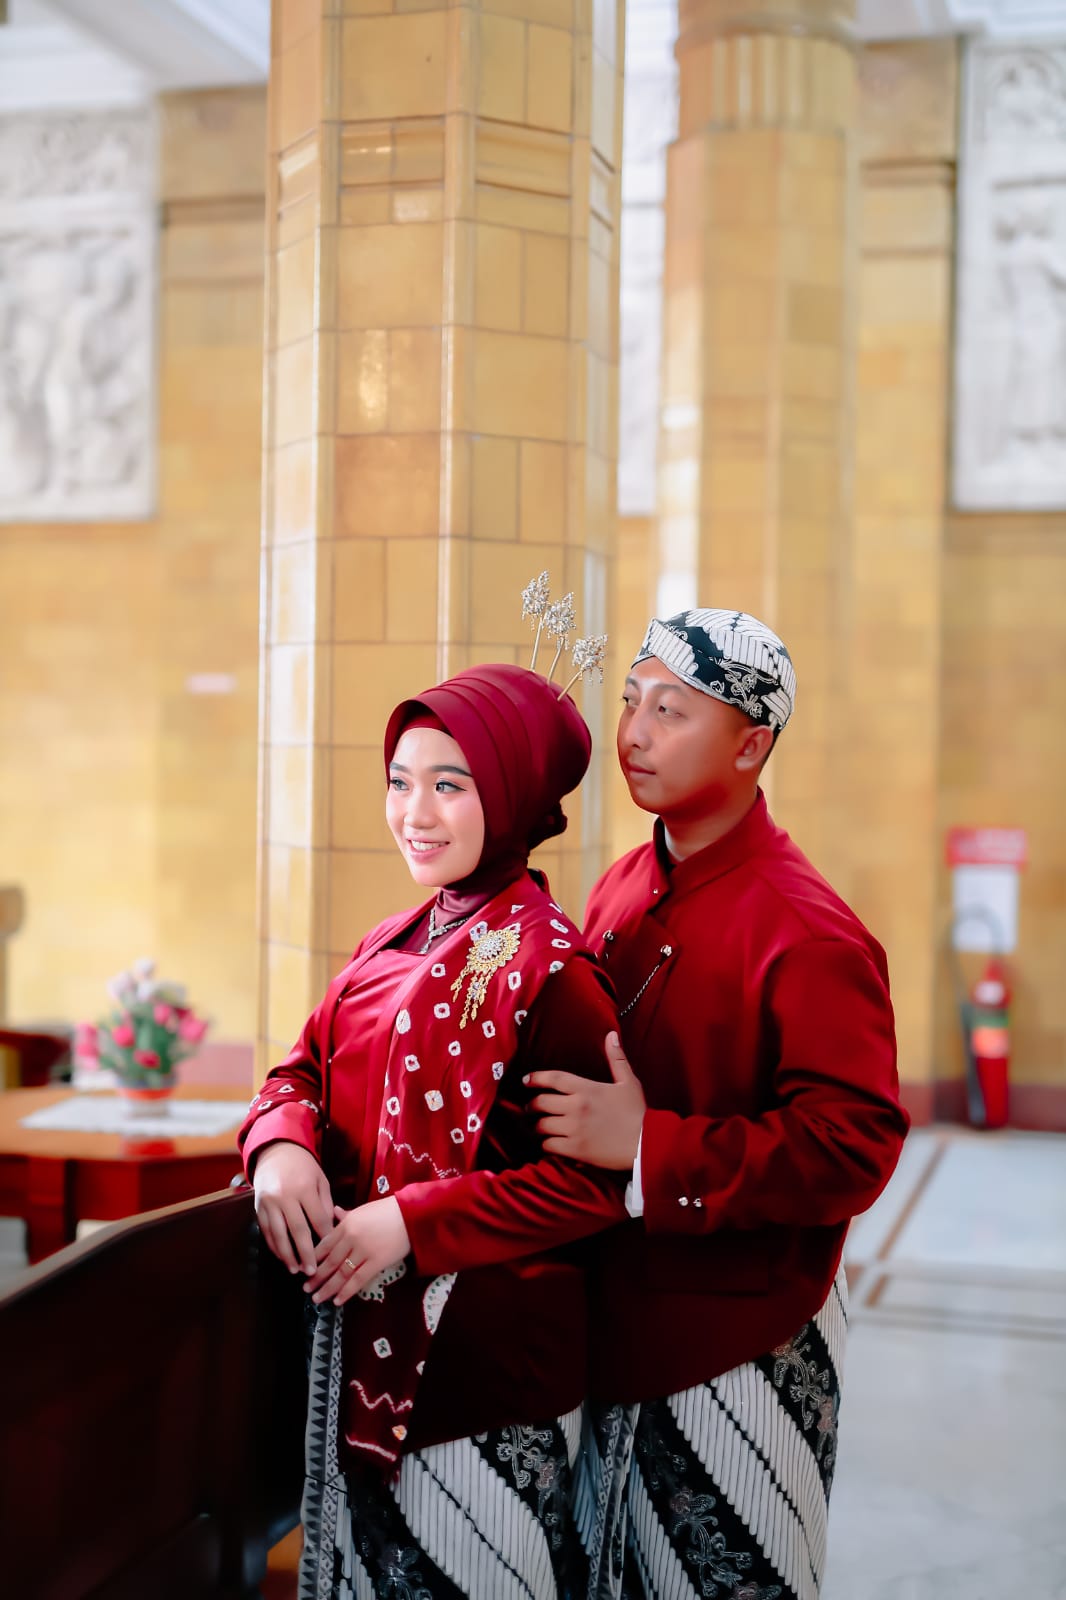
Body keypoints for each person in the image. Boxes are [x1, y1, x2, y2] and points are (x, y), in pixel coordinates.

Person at [525, 608, 910, 1600]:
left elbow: (853, 1144)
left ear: (750, 745)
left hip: (743, 1343)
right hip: (618, 1320)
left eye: (671, 710)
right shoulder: (622, 884)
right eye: (631, 702)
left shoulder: (808, 931)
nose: (635, 732)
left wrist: (646, 1147)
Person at [239, 662, 629, 1599]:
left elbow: (594, 1186)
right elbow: (300, 1068)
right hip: (350, 1343)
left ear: (515, 794)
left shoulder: (555, 971)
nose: (414, 812)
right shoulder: (394, 937)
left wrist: (413, 1223)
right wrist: (280, 1145)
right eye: (400, 781)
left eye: (450, 785)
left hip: (484, 1380)